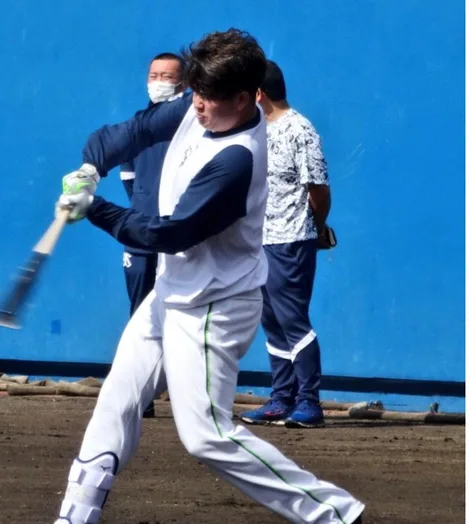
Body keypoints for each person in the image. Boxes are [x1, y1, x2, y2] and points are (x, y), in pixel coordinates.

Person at [52, 29, 365, 524]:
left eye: (209, 98)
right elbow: (128, 134)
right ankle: (76, 513)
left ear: (246, 98)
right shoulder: (194, 106)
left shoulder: (238, 159)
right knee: (117, 400)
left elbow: (170, 234)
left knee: (207, 437)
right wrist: (92, 166)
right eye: (194, 93)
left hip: (213, 307)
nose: (196, 106)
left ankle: (337, 513)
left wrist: (95, 209)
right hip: (171, 291)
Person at [239, 60, 332, 428]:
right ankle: (282, 398)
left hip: (290, 240)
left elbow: (319, 190)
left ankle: (310, 403)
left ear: (258, 94)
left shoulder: (300, 130)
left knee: (293, 319)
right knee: (272, 320)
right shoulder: (256, 130)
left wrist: (317, 227)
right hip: (258, 241)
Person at [119, 52, 186, 419]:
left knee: (179, 316)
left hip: (178, 236)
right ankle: (139, 396)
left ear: (184, 83)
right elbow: (128, 178)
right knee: (139, 316)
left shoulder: (191, 125)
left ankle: (185, 397)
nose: (158, 80)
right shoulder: (138, 123)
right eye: (153, 74)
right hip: (140, 235)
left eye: (167, 75)